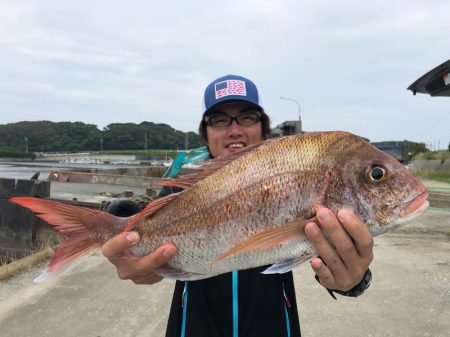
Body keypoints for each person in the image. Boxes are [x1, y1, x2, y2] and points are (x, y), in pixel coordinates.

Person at [101, 75, 374, 337]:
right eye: (219, 120)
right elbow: (149, 250)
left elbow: (326, 250)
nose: (234, 130)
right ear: (205, 133)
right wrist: (141, 265)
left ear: (263, 129)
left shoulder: (292, 179)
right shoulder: (178, 188)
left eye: (247, 117)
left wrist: (353, 281)